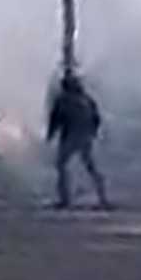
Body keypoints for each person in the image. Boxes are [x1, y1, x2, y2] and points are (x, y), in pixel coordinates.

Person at [47, 71, 111, 210]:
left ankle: (65, 199)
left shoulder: (63, 100)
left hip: (70, 136)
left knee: (61, 166)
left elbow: (55, 119)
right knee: (91, 167)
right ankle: (103, 197)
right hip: (84, 137)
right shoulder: (87, 99)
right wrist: (93, 133)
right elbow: (96, 118)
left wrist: (50, 136)